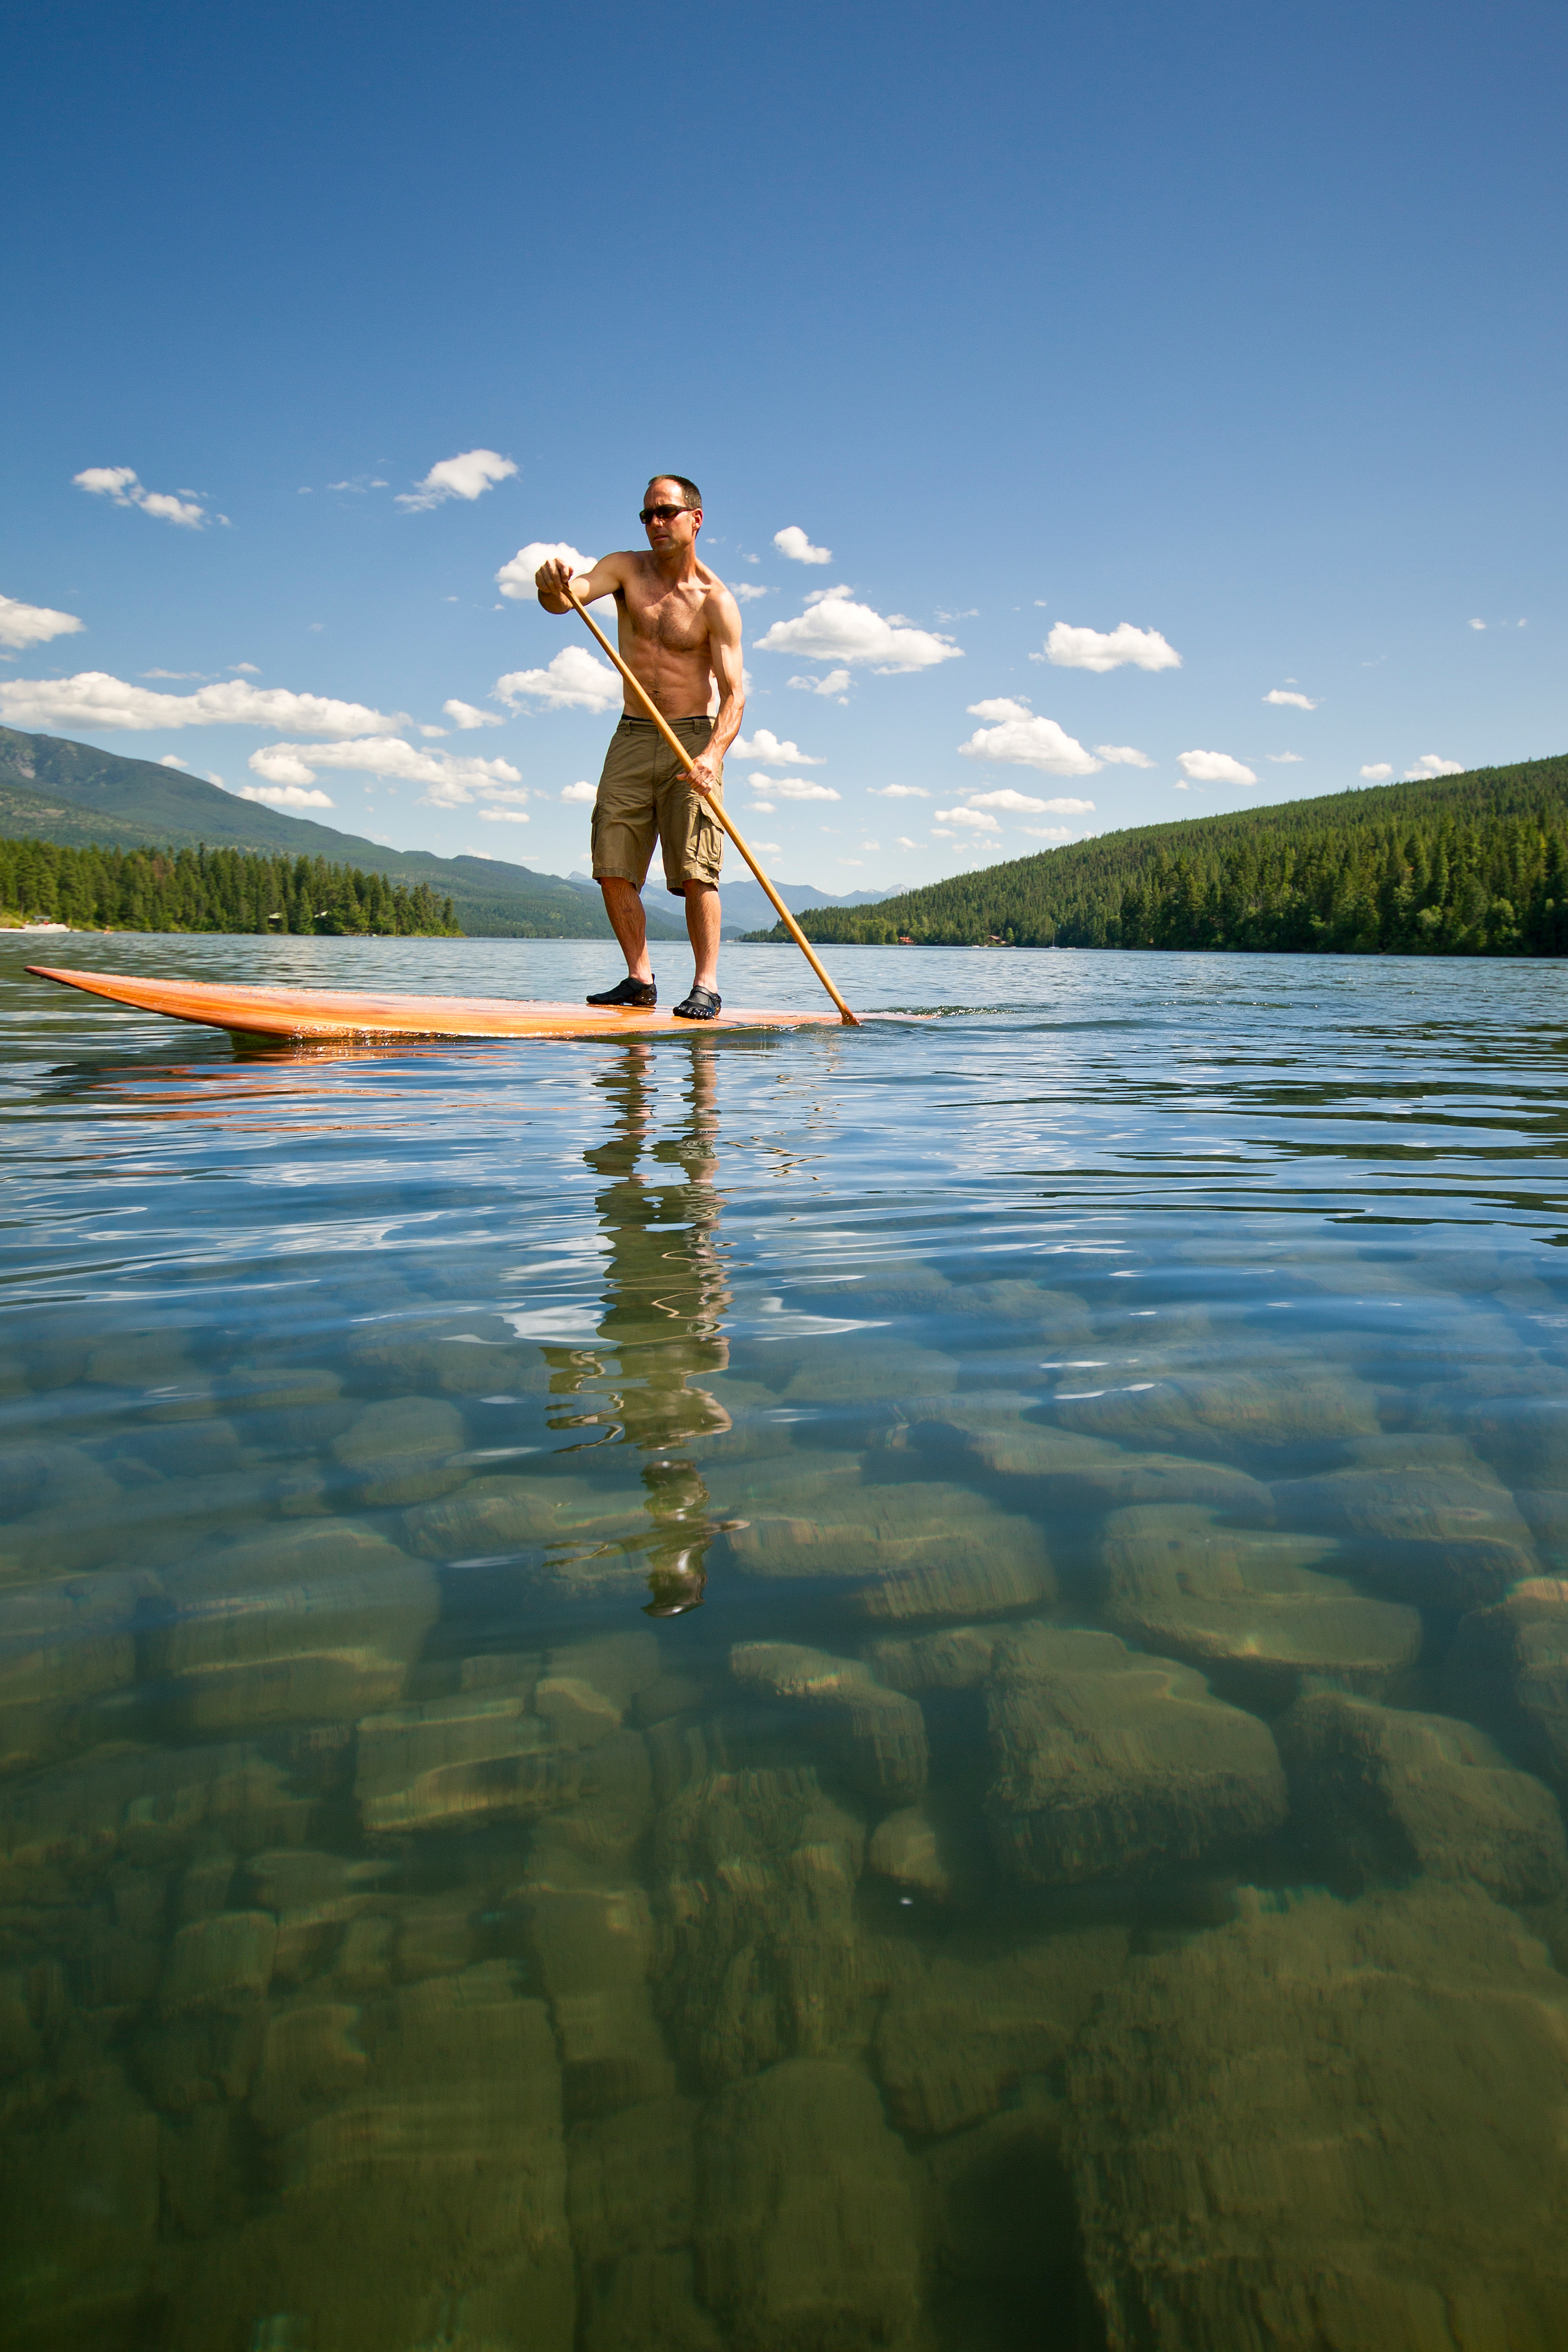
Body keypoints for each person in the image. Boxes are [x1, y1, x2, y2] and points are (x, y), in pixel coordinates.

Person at [535, 476, 745, 1020]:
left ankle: (705, 985)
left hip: (692, 737)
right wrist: (549, 585)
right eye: (646, 515)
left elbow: (735, 694)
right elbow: (566, 600)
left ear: (695, 519)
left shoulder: (715, 602)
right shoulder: (625, 569)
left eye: (665, 513)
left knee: (697, 866)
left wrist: (713, 754)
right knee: (612, 859)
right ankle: (639, 977)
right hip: (631, 734)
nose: (654, 523)